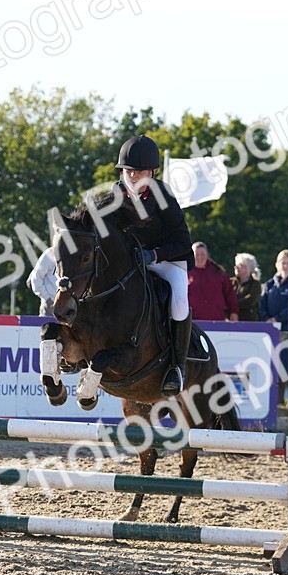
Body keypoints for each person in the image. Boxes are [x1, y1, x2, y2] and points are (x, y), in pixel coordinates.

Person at [114, 135, 195, 396]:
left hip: (168, 260)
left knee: (179, 302)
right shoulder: (115, 194)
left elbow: (183, 242)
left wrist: (155, 256)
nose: (133, 176)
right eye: (128, 170)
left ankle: (177, 367)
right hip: (133, 265)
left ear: (152, 172)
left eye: (139, 171)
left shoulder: (163, 196)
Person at [187, 242, 238, 322]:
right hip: (193, 322)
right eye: (196, 254)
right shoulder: (185, 273)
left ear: (207, 255)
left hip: (216, 320)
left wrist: (233, 311)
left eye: (202, 254)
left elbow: (229, 293)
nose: (199, 257)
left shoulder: (218, 272)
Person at [258, 249, 288, 332]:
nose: (285, 266)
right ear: (277, 264)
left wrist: (277, 319)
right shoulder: (270, 284)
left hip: (287, 328)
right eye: (283, 263)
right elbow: (262, 304)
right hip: (269, 327)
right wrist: (267, 319)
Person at [27, 247, 58, 317]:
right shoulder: (50, 253)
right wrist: (48, 299)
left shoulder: (75, 254)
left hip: (68, 305)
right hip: (50, 306)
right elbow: (35, 278)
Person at [232, 253, 262, 322]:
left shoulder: (255, 285)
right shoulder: (230, 282)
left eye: (240, 265)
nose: (236, 267)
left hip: (248, 322)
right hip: (230, 321)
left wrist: (232, 304)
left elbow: (250, 300)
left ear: (248, 267)